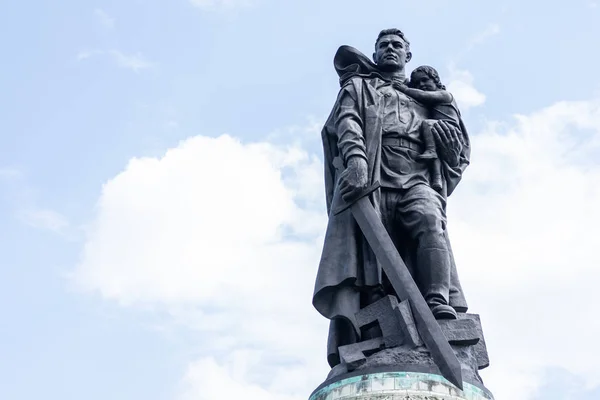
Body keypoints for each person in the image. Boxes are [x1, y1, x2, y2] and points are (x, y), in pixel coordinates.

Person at [312, 29, 471, 370]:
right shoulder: (360, 87)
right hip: (374, 177)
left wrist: (448, 144)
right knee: (373, 262)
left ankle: (437, 300)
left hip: (416, 173)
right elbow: (348, 122)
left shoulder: (429, 95)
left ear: (407, 55)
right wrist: (355, 159)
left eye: (397, 45)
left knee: (430, 221)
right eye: (383, 45)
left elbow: (457, 150)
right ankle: (377, 337)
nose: (390, 49)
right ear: (376, 52)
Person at [393, 65, 465, 192]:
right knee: (435, 155)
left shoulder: (445, 95)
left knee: (426, 124)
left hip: (448, 128)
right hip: (438, 129)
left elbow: (423, 96)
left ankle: (430, 150)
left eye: (425, 80)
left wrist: (405, 89)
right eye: (417, 83)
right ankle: (437, 179)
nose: (421, 84)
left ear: (436, 80)